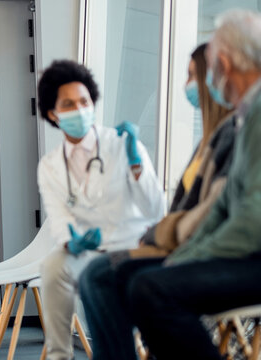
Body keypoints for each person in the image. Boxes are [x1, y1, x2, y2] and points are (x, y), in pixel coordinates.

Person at [89, 10, 261, 360]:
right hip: (246, 251)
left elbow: (253, 221)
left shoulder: (258, 115)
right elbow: (219, 210)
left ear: (225, 66)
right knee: (130, 281)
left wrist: (188, 257)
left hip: (257, 256)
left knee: (150, 289)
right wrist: (184, 256)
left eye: (209, 67)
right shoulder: (248, 115)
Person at [36, 60, 165, 360]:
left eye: (84, 101)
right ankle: (59, 354)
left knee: (110, 284)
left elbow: (156, 209)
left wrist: (136, 164)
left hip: (132, 245)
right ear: (53, 113)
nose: (80, 109)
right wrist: (73, 241)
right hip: (88, 250)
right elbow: (59, 220)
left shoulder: (122, 144)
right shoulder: (51, 165)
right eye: (69, 104)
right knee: (53, 266)